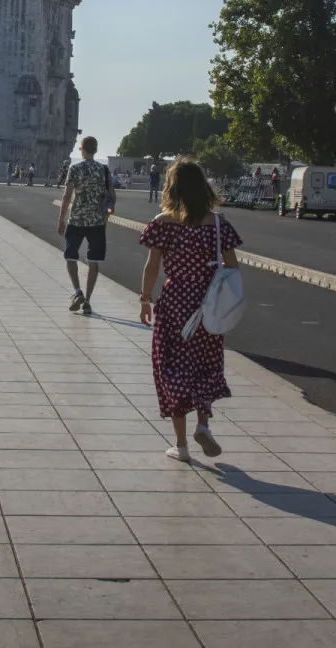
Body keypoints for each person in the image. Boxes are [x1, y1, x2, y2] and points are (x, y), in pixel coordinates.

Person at [139, 158, 239, 461]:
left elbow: (152, 266)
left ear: (173, 188)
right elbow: (232, 267)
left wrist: (145, 298)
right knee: (203, 364)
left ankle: (180, 445)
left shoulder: (162, 223)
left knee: (171, 367)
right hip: (207, 305)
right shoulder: (218, 224)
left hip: (175, 302)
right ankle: (204, 425)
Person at [56, 136, 115, 315]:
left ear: (82, 149)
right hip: (96, 222)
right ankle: (88, 300)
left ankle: (77, 292)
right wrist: (106, 215)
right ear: (95, 150)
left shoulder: (74, 169)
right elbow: (112, 196)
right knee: (94, 261)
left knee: (70, 256)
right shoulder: (104, 170)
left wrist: (60, 219)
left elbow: (67, 196)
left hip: (76, 220)